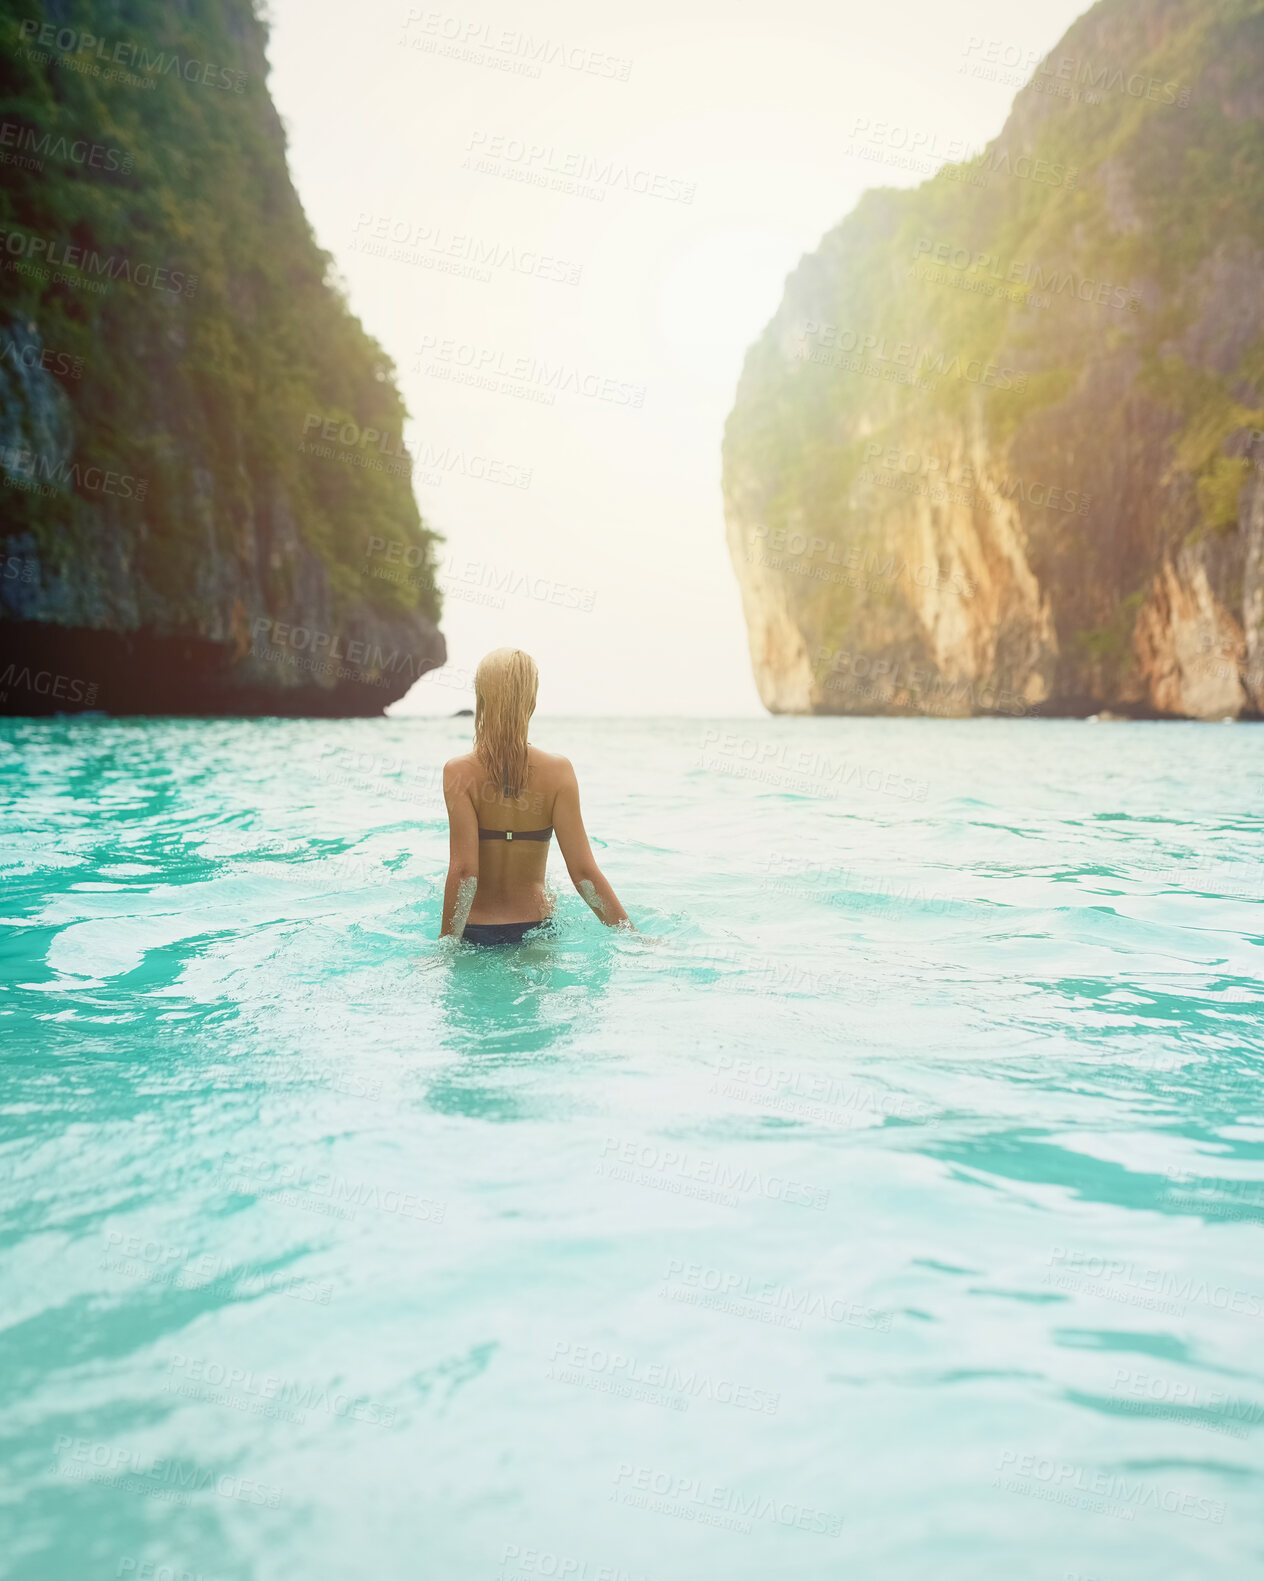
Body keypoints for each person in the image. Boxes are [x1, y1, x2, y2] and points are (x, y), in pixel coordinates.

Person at [439, 648, 632, 944]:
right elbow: (583, 873)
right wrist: (630, 935)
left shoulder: (458, 772)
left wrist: (446, 944)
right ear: (531, 699)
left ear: (481, 697)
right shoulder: (559, 771)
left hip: (475, 930)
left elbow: (465, 872)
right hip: (537, 929)